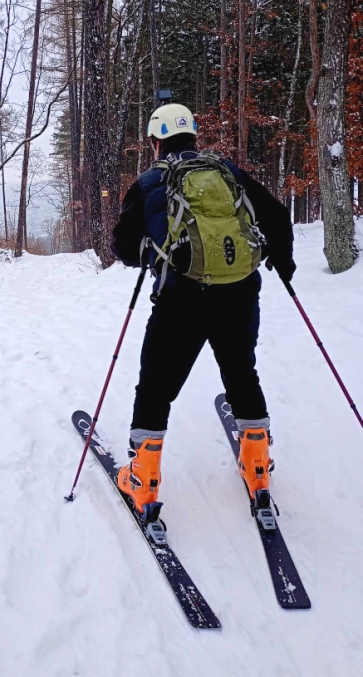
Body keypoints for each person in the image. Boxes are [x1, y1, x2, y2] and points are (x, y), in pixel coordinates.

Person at [111, 103, 295, 513]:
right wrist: (283, 260)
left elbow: (121, 247)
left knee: (156, 384)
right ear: (194, 136)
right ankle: (258, 467)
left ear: (155, 142)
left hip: (182, 296)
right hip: (239, 290)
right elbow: (278, 217)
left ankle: (142, 479)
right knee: (240, 370)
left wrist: (149, 250)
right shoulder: (227, 171)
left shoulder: (148, 182)